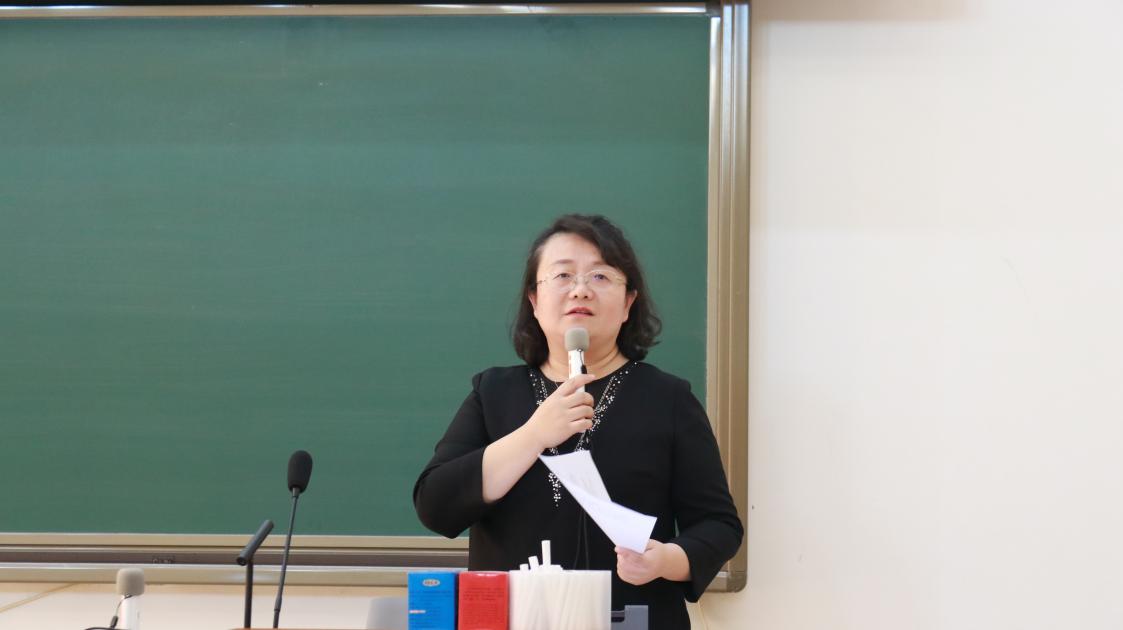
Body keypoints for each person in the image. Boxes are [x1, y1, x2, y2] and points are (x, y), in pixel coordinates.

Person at [413, 214, 742, 629]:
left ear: (629, 303)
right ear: (534, 300)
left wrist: (666, 560)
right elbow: (436, 506)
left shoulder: (668, 399)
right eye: (563, 275)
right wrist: (534, 434)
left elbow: (719, 526)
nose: (580, 289)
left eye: (601, 276)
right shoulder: (492, 392)